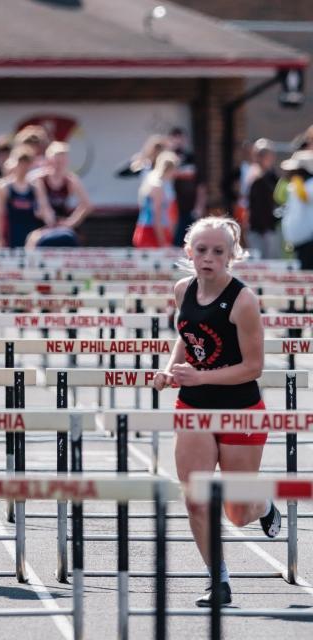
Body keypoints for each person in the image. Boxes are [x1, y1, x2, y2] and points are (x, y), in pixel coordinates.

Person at [153, 217, 280, 608]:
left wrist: (199, 374)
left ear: (232, 256)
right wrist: (171, 369)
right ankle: (217, 579)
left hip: (240, 407)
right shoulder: (182, 289)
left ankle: (262, 503)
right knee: (196, 498)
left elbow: (253, 367)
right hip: (193, 406)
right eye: (202, 250)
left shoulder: (243, 301)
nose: (208, 259)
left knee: (238, 513)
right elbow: (186, 334)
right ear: (189, 252)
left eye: (218, 252)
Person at [26, 141, 92, 249]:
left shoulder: (70, 179)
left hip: (62, 222)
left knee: (72, 239)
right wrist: (50, 222)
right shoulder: (40, 179)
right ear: (49, 159)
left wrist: (71, 222)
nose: (59, 162)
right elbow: (43, 205)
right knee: (32, 241)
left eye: (62, 158)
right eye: (56, 158)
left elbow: (87, 205)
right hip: (42, 223)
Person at [0, 145, 54, 248]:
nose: (23, 167)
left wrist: (49, 220)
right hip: (11, 236)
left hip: (31, 238)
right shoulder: (4, 187)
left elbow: (45, 209)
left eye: (26, 163)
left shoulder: (35, 186)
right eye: (21, 162)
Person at [169, 127, 207, 246]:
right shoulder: (166, 159)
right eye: (175, 137)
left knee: (190, 242)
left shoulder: (192, 158)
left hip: (190, 209)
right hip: (171, 209)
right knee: (173, 242)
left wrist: (199, 207)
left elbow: (201, 186)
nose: (178, 141)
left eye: (180, 137)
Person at [244, 139, 281, 259]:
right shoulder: (254, 176)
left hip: (270, 226)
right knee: (259, 261)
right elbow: (254, 204)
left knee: (272, 259)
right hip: (257, 228)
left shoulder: (272, 176)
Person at [133, 151, 178, 248]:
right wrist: (163, 242)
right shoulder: (157, 186)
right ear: (170, 169)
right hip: (151, 233)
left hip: (149, 229)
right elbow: (156, 216)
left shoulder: (152, 182)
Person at [279, 150, 313, 269]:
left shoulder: (310, 186)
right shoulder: (298, 186)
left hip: (309, 243)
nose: (291, 173)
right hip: (301, 244)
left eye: (295, 170)